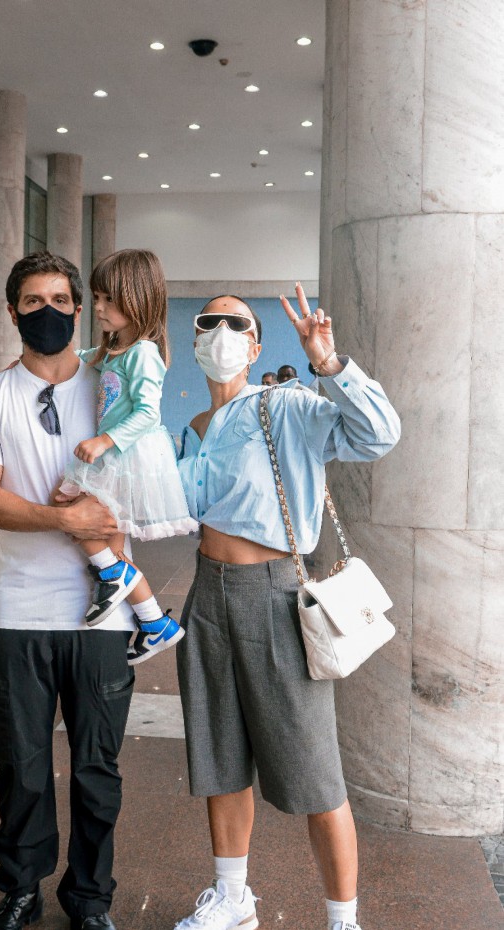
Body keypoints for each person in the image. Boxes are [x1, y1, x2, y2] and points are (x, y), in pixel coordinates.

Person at [174, 285, 400, 930]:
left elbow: (378, 436)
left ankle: (343, 920)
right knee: (219, 755)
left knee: (313, 766)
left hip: (275, 593)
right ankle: (232, 899)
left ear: (255, 342)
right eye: (208, 321)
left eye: (235, 322)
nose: (220, 331)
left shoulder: (287, 406)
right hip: (207, 593)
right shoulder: (191, 429)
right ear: (196, 340)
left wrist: (329, 364)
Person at [0, 251, 134, 930]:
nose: (49, 312)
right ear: (12, 312)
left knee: (96, 768)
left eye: (61, 299)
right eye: (33, 302)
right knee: (22, 766)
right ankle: (22, 887)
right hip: (21, 609)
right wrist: (67, 517)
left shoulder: (113, 392)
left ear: (80, 309)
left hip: (106, 613)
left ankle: (90, 900)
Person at [59, 249, 198, 665]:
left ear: (137, 299)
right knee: (101, 536)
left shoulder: (143, 353)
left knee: (72, 511)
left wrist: (105, 441)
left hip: (128, 456)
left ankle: (114, 577)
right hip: (115, 456)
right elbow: (80, 360)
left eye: (108, 300)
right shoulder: (114, 349)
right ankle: (154, 622)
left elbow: (148, 413)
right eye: (96, 299)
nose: (98, 308)